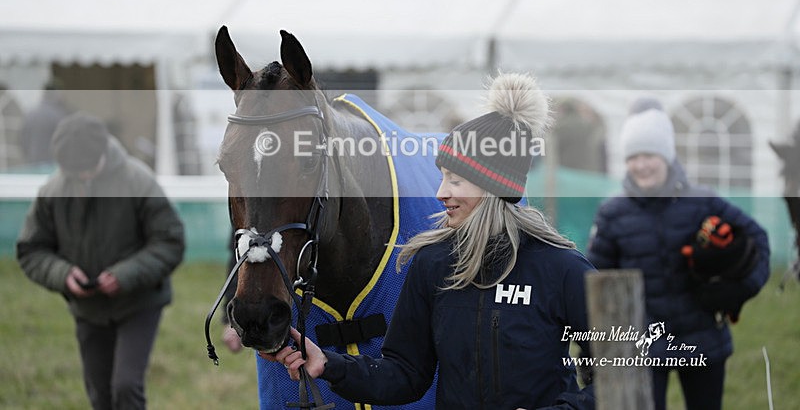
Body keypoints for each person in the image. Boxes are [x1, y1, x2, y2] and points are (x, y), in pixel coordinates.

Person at [266, 73, 596, 409]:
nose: (441, 193)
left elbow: (626, 364)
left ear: (494, 186)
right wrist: (329, 364)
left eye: (455, 181)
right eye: (442, 179)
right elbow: (404, 375)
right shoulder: (433, 264)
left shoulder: (560, 268)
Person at [587, 98, 770, 410]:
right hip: (644, 347)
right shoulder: (613, 213)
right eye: (633, 156)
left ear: (667, 155)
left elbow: (758, 240)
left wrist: (739, 289)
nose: (641, 165)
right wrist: (592, 353)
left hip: (704, 342)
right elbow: (594, 281)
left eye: (649, 154)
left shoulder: (702, 201)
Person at [16, 112, 186, 410]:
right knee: (100, 396)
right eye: (73, 173)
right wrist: (63, 274)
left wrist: (124, 275)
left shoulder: (138, 180)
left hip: (139, 303)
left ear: (103, 153)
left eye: (87, 170)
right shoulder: (53, 191)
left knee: (125, 387)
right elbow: (31, 249)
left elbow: (170, 241)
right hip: (88, 309)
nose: (81, 177)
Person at [19, 79, 71, 166]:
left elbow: (22, 141)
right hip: (52, 166)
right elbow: (65, 143)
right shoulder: (59, 115)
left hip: (31, 164)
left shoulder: (29, 114)